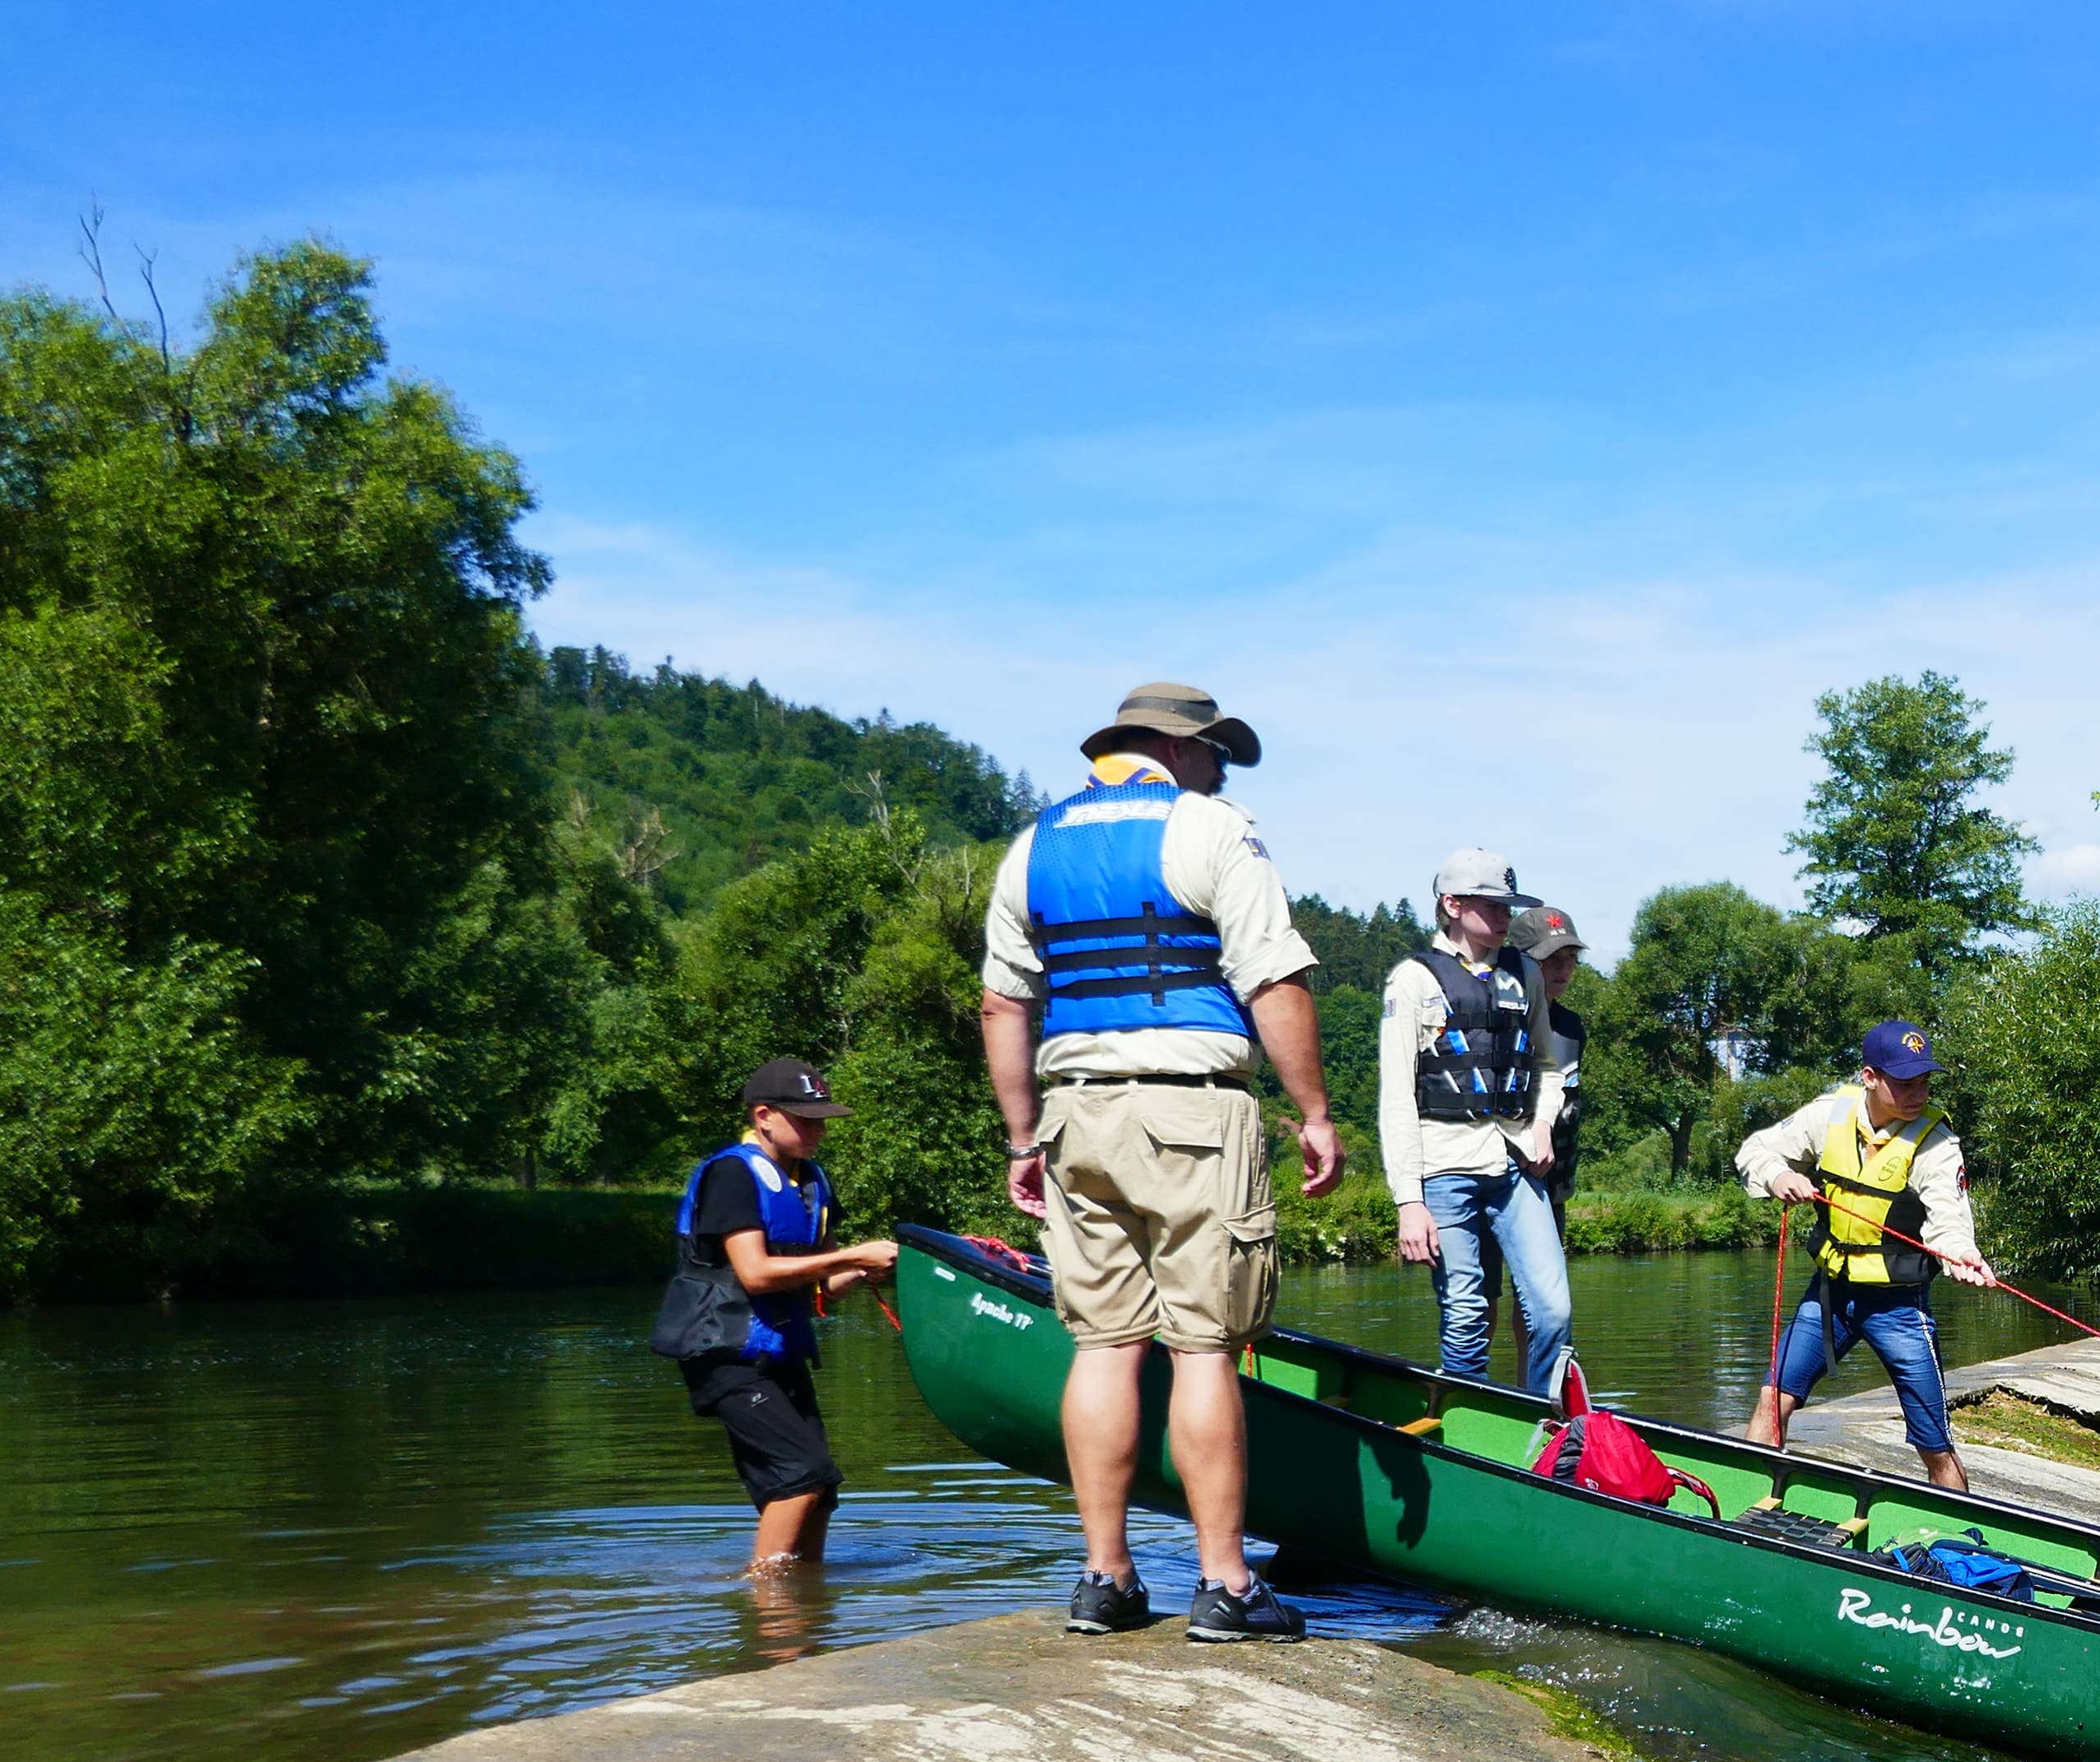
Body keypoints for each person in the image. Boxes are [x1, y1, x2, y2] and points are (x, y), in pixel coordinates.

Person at [979, 681, 1340, 1642]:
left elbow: (1003, 1005)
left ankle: (1104, 1579)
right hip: (1191, 1111)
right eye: (1215, 752)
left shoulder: (1031, 846)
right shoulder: (1211, 829)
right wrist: (1314, 1113)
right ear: (1176, 748)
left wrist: (1023, 1137)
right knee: (1203, 1346)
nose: (1220, 771)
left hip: (1074, 1117)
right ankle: (1226, 1586)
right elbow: (1275, 979)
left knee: (1102, 1345)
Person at [658, 1058, 900, 1573]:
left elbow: (826, 1287)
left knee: (821, 1488)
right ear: (764, 1116)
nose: (818, 1131)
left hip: (780, 1348)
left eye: (822, 1121)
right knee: (802, 1475)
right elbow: (755, 1274)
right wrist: (852, 1255)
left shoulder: (812, 1180)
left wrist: (867, 1272)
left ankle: (805, 1599)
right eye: (805, 1119)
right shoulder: (732, 1174)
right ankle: (766, 1593)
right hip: (724, 1351)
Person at [1738, 1020, 1996, 1490]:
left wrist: (1961, 1255)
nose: (1917, 1093)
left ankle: (1962, 1528)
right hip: (1830, 1295)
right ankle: (1749, 1504)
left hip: (1899, 1307)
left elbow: (1949, 1220)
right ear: (1870, 1077)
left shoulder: (1937, 1143)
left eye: (1924, 1081)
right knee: (1772, 1400)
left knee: (1934, 1443)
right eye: (1905, 1082)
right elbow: (1756, 1150)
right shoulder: (1828, 1114)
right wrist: (1779, 1176)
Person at [1380, 852, 1572, 1395]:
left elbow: (1546, 1064)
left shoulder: (1524, 973)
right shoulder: (1412, 981)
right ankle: (1469, 1417)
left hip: (1514, 1162)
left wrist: (1542, 1124)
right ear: (1452, 905)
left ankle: (1540, 1418)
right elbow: (1397, 1098)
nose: (1506, 917)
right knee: (1466, 1314)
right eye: (1493, 906)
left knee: (1553, 1311)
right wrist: (1409, 1201)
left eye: (1508, 906)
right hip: (1443, 1169)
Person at [1511, 900, 1591, 1242]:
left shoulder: (1572, 1027)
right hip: (1502, 1182)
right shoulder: (1502, 1022)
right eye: (1551, 959)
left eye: (1571, 957)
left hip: (1555, 1187)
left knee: (1548, 1277)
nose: (1564, 968)